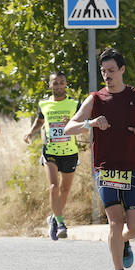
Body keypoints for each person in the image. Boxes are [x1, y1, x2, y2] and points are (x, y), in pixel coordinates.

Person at [64, 49, 135, 270]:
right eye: (103, 71)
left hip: (132, 167)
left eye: (112, 70)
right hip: (105, 169)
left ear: (122, 69)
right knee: (115, 223)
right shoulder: (95, 99)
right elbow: (69, 128)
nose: (107, 75)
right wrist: (91, 123)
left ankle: (122, 242)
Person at [24, 71, 82, 240]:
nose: (58, 86)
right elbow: (40, 121)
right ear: (49, 85)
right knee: (54, 187)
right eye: (55, 83)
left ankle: (53, 218)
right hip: (50, 151)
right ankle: (61, 223)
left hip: (70, 151)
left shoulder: (74, 104)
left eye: (61, 82)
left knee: (64, 190)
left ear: (66, 84)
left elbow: (81, 123)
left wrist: (75, 125)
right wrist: (30, 132)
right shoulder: (44, 104)